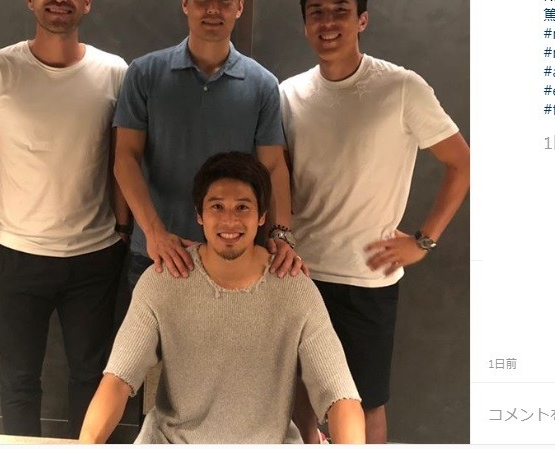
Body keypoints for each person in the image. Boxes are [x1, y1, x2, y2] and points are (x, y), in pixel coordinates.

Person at [280, 0, 471, 443]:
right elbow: (276, 178)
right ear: (304, 24)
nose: (327, 22)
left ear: (361, 19)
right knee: (298, 394)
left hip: (367, 276)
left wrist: (423, 241)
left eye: (340, 11)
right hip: (298, 271)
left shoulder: (401, 88)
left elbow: (462, 163)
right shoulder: (288, 94)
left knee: (364, 404)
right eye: (316, 13)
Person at [0, 0, 129, 437]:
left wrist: (122, 232)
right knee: (18, 382)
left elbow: (123, 161)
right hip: (15, 255)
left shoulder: (115, 73)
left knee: (92, 379)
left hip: (95, 257)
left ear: (86, 1)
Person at [78, 152, 365, 444]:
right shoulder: (163, 280)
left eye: (243, 207)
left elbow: (340, 395)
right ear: (199, 215)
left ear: (262, 216)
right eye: (217, 206)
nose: (230, 220)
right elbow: (118, 379)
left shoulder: (295, 289)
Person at [113, 0, 302, 289]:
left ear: (239, 7)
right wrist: (155, 234)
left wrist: (282, 234)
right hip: (157, 254)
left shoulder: (262, 84)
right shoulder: (144, 73)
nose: (213, 8)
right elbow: (125, 157)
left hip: (235, 256)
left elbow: (274, 165)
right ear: (185, 2)